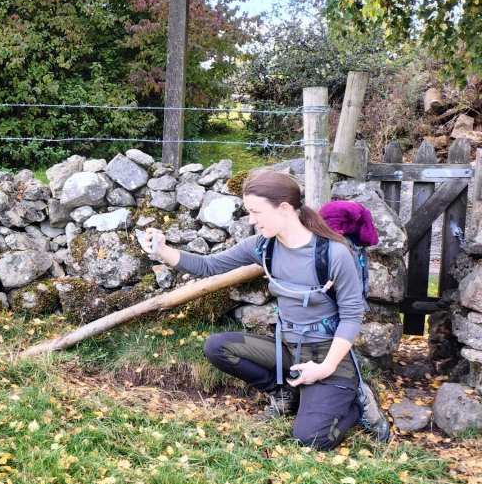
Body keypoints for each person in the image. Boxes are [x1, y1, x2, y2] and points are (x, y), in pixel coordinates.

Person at [138, 169, 385, 449]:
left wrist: (325, 368)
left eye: (256, 212)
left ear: (284, 208)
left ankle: (357, 401)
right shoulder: (263, 246)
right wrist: (161, 251)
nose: (251, 221)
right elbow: (209, 266)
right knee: (217, 347)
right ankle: (284, 393)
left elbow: (352, 317)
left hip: (329, 356)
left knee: (310, 439)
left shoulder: (334, 254)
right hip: (288, 349)